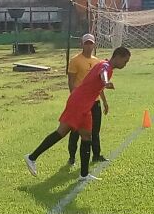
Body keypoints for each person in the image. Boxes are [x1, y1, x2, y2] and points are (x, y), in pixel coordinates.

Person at [25, 47, 132, 181]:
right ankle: (31, 157)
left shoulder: (102, 63)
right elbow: (103, 73)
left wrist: (104, 95)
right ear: (118, 57)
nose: (125, 64)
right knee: (62, 131)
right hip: (79, 103)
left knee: (86, 136)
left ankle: (84, 175)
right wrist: (106, 82)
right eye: (125, 61)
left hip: (85, 104)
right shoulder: (105, 66)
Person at [66, 34, 109, 167]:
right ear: (82, 44)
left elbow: (98, 84)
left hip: (94, 101)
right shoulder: (75, 60)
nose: (89, 46)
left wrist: (104, 101)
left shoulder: (97, 62)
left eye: (91, 43)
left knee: (95, 130)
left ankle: (96, 155)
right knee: (75, 130)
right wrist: (74, 99)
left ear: (94, 45)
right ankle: (72, 157)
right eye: (86, 43)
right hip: (80, 102)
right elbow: (71, 81)